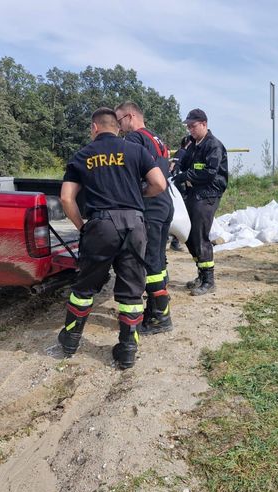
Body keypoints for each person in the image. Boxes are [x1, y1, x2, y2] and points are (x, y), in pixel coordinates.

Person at [58, 107, 166, 369]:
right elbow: (160, 184)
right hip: (135, 225)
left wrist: (81, 226)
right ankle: (128, 350)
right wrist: (138, 198)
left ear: (94, 127)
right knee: (131, 290)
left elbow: (66, 197)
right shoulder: (136, 150)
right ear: (117, 126)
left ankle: (71, 340)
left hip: (101, 225)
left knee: (85, 287)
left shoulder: (83, 155)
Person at [115, 101, 174, 335]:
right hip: (165, 203)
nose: (119, 128)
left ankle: (160, 318)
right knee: (158, 260)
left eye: (119, 122)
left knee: (150, 263)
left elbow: (127, 173)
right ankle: (158, 309)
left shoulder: (134, 139)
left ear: (130, 116)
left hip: (151, 205)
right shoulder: (157, 139)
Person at [173, 108, 228, 296]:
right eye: (188, 127)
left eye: (193, 126)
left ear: (204, 124)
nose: (190, 130)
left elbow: (210, 173)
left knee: (199, 234)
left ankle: (209, 280)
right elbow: (185, 164)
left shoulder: (213, 145)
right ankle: (201, 274)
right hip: (194, 192)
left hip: (208, 194)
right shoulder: (194, 144)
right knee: (188, 234)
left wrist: (186, 176)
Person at [168, 134, 192, 252]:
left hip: (177, 184)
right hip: (179, 185)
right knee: (181, 213)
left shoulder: (181, 152)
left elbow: (172, 167)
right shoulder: (183, 152)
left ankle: (173, 239)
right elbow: (173, 167)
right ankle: (174, 241)